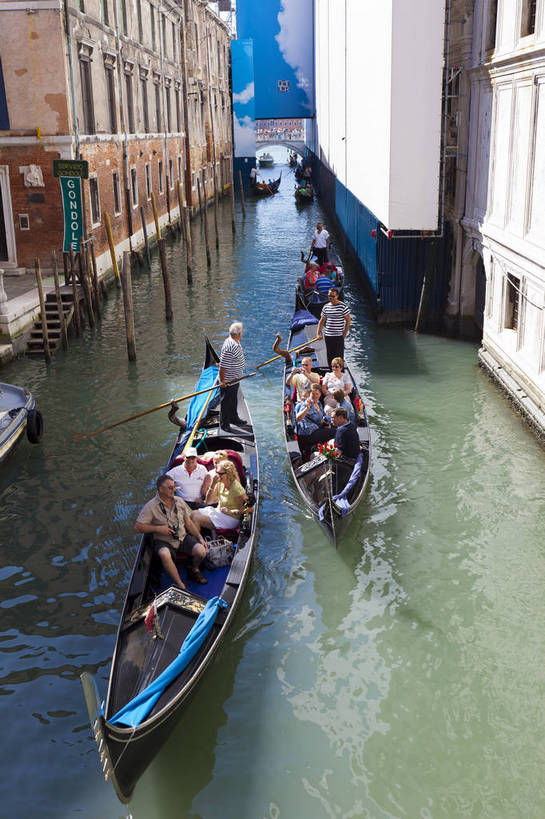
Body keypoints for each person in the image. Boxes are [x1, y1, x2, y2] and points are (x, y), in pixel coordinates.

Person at [135, 474, 208, 588]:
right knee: (164, 554)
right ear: (160, 489)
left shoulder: (179, 501)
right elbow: (138, 527)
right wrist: (158, 529)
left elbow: (188, 523)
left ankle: (194, 569)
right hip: (163, 541)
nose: (174, 490)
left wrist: (199, 537)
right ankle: (180, 584)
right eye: (170, 488)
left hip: (182, 537)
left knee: (201, 551)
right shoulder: (150, 506)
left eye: (174, 487)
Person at [191, 459, 247, 534]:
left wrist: (229, 512)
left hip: (231, 518)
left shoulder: (236, 488)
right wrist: (213, 484)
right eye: (217, 473)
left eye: (220, 474)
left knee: (196, 518)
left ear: (228, 474)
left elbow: (246, 509)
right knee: (192, 514)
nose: (217, 476)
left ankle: (198, 543)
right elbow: (208, 501)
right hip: (219, 512)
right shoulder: (220, 483)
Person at [219, 322, 247, 430]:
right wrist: (222, 381)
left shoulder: (235, 342)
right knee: (226, 402)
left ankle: (234, 418)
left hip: (235, 379)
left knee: (233, 399)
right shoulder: (230, 346)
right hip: (228, 380)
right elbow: (223, 366)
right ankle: (225, 424)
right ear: (239, 334)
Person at [317, 288, 351, 366]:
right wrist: (318, 333)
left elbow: (348, 321)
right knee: (330, 356)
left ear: (337, 296)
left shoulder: (343, 306)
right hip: (328, 336)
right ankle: (331, 373)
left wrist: (344, 334)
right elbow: (322, 321)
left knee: (339, 357)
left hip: (338, 336)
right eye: (329, 296)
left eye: (333, 296)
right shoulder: (326, 307)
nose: (330, 298)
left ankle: (340, 374)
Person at [295, 385, 333, 454]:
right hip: (308, 433)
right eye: (313, 393)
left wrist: (327, 424)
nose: (314, 396)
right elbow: (298, 418)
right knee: (333, 432)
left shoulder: (318, 403)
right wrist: (307, 409)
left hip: (316, 429)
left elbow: (321, 418)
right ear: (310, 394)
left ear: (320, 394)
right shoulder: (307, 404)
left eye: (317, 394)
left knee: (334, 427)